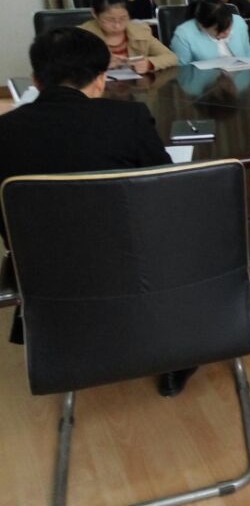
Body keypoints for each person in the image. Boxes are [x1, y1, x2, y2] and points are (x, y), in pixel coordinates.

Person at [0, 29, 196, 397]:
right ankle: (177, 353)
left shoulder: (4, 131)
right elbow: (165, 191)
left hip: (45, 277)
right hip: (135, 268)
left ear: (37, 80)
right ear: (102, 79)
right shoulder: (128, 118)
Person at [79, 0, 177, 73]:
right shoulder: (81, 35)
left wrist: (149, 64)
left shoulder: (140, 30)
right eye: (110, 20)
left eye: (123, 18)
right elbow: (71, 67)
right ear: (95, 14)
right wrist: (99, 65)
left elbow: (172, 57)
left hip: (137, 86)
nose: (117, 25)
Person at [170, 0, 250, 65]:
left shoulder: (238, 22)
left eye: (229, 27)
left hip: (240, 78)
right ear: (202, 26)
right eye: (219, 30)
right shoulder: (183, 34)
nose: (227, 33)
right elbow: (182, 70)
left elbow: (248, 54)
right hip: (204, 80)